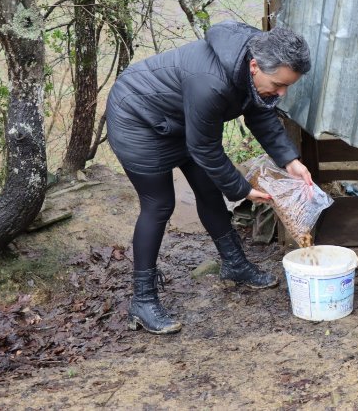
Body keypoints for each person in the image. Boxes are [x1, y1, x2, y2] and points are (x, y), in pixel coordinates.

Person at [106, 21, 313, 334]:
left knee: (208, 188)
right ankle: (143, 301)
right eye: (278, 84)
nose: (282, 93)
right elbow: (204, 147)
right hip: (137, 117)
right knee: (159, 204)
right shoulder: (211, 82)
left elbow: (259, 112)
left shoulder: (251, 64)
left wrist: (290, 160)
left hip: (181, 118)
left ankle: (235, 265)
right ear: (254, 66)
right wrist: (242, 189)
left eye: (287, 86)